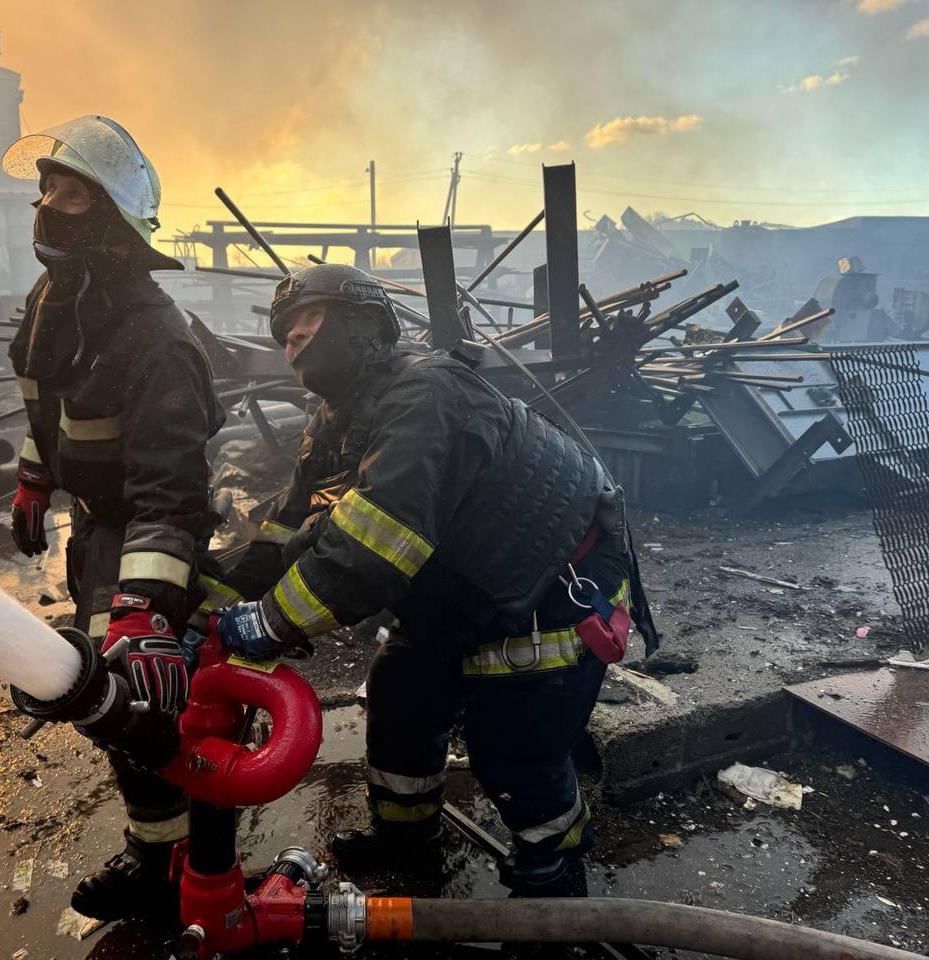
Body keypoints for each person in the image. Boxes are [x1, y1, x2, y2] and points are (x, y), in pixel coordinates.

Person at [213, 263, 657, 894]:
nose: (295, 339)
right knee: (401, 699)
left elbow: (371, 551)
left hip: (547, 590)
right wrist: (216, 603)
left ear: (365, 326)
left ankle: (554, 866)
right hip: (457, 588)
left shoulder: (425, 395)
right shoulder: (335, 420)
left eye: (309, 320)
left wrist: (269, 623)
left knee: (513, 746)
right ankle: (406, 841)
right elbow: (289, 525)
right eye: (285, 333)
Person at [0, 116, 225, 919]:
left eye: (70, 195)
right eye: (47, 190)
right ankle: (158, 853)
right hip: (96, 527)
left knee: (136, 698)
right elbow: (46, 403)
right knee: (117, 703)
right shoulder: (57, 302)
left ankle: (183, 864)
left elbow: (174, 493)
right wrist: (35, 480)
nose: (47, 208)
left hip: (142, 536)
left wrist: (144, 607)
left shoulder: (156, 338)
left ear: (113, 221)